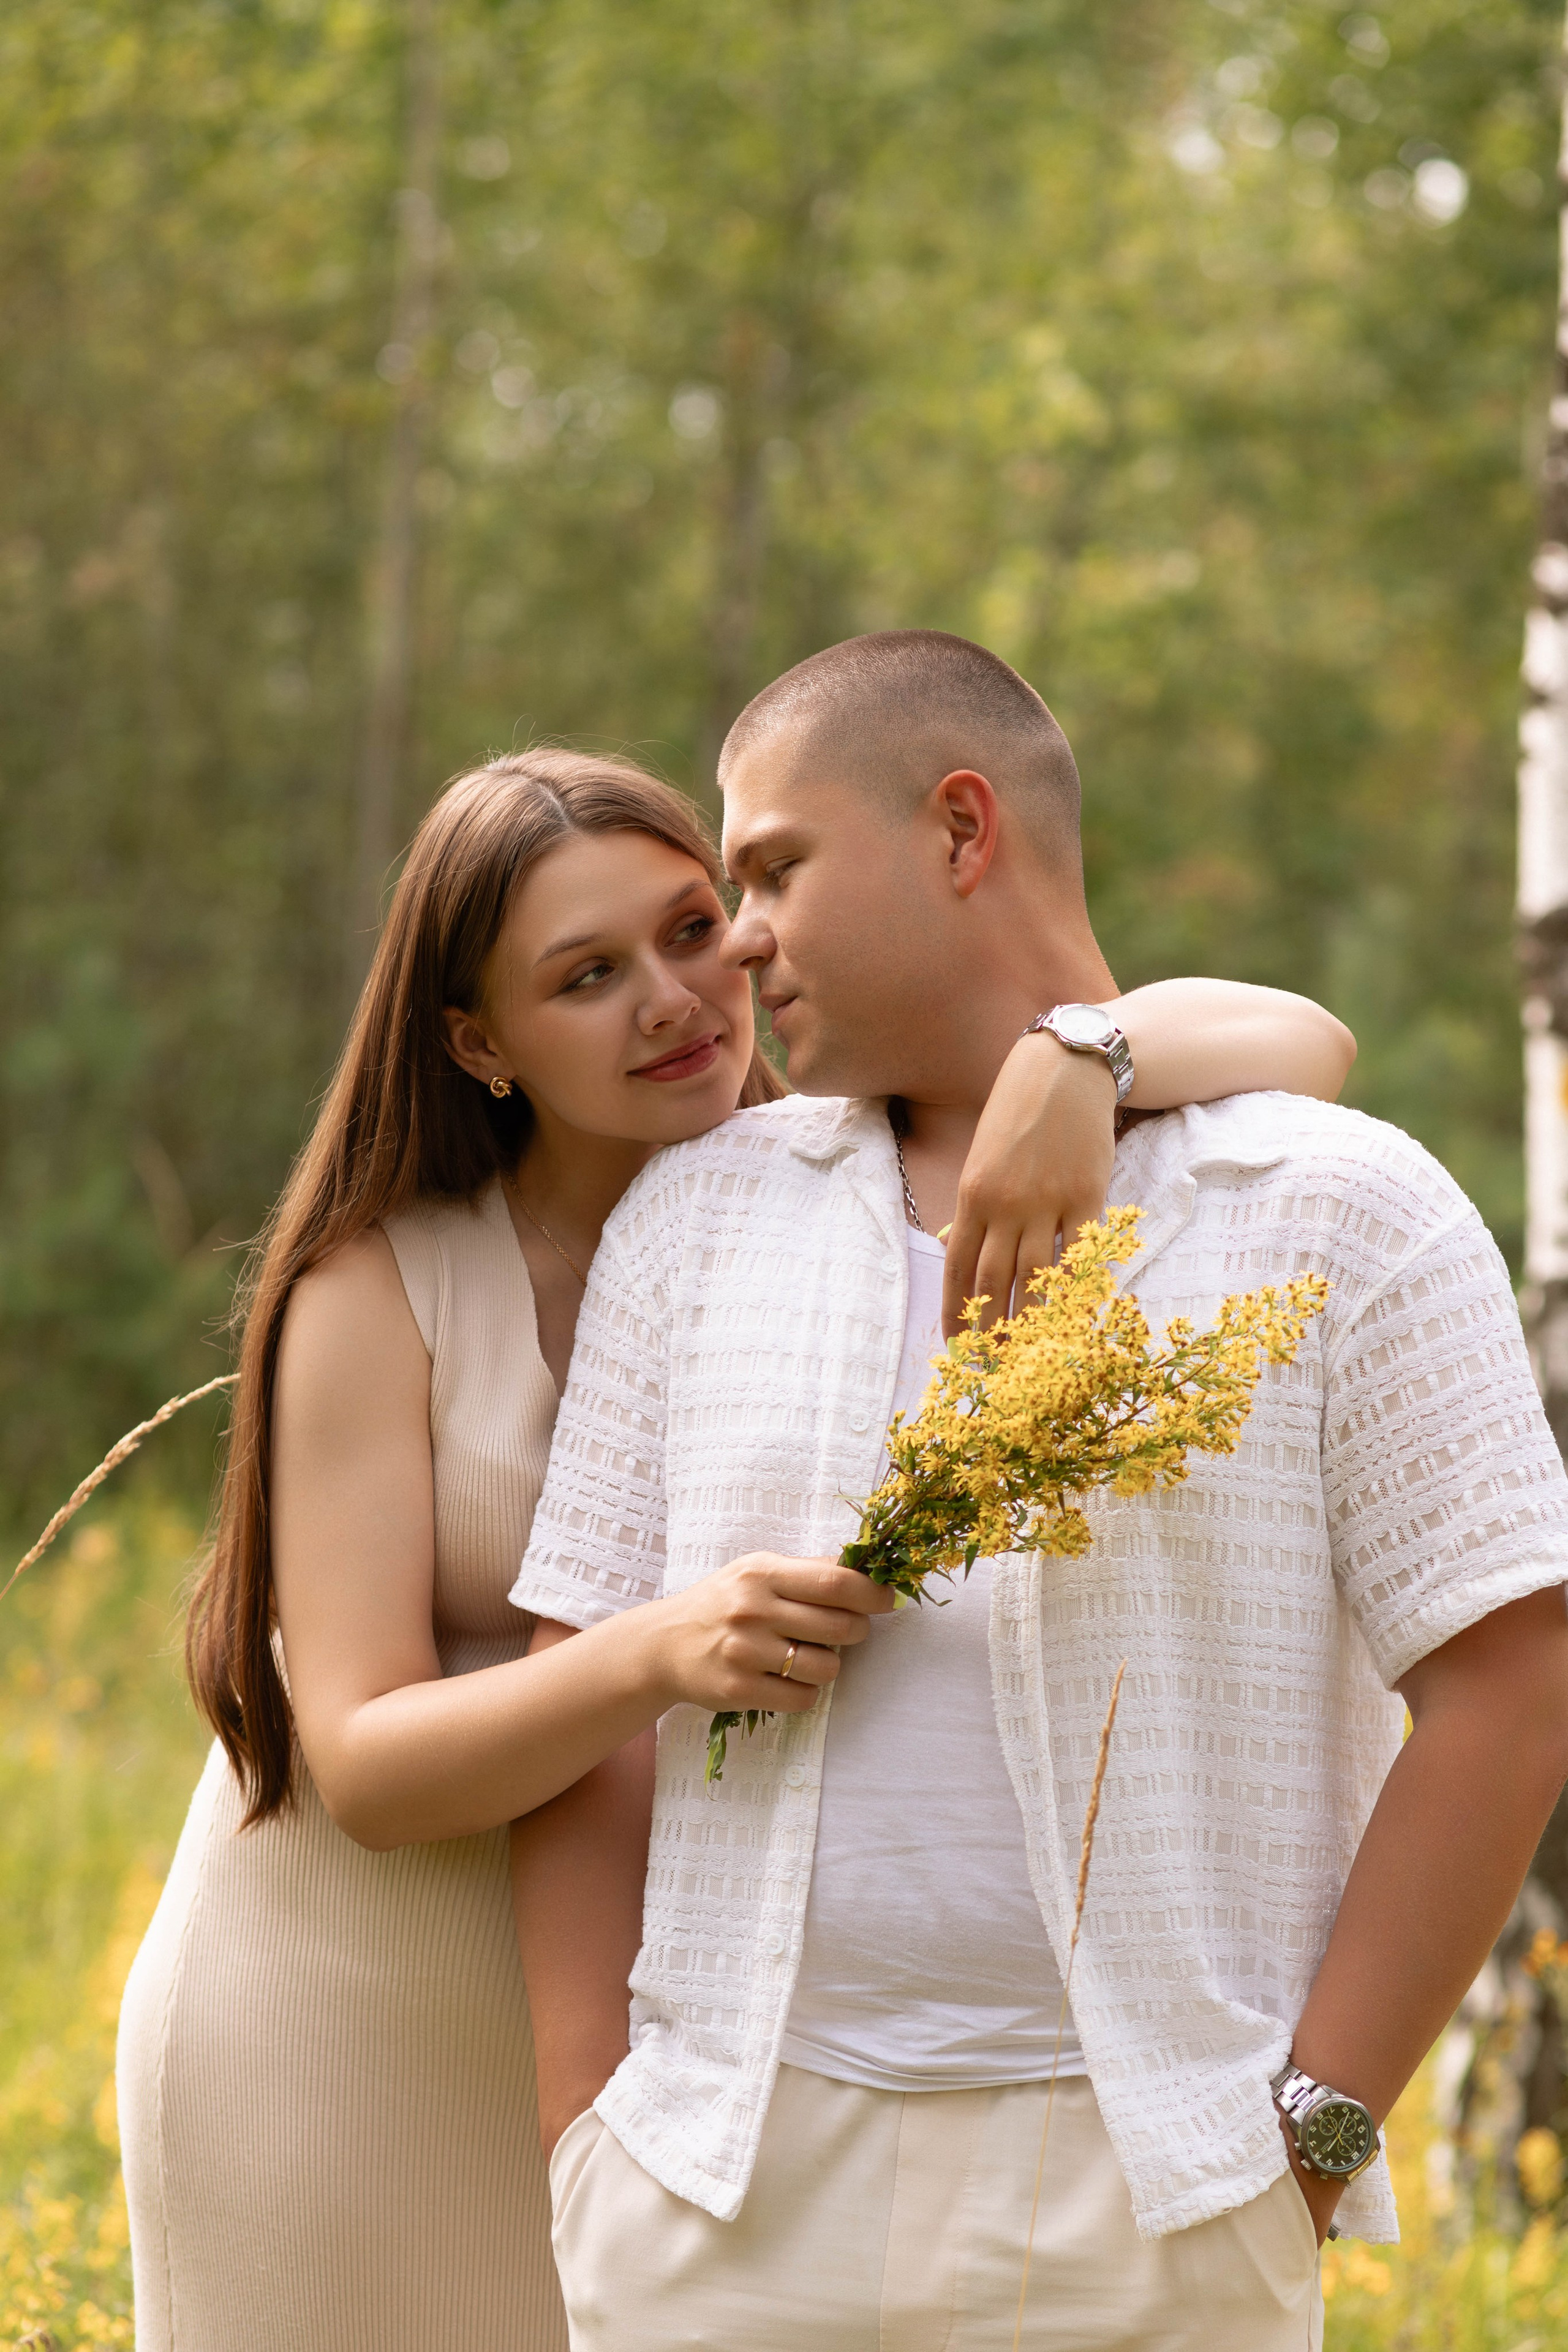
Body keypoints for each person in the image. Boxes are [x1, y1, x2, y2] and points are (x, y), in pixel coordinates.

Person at [115, 745, 1351, 2352]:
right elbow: (364, 1761)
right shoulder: (378, 1290)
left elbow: (1309, 1045)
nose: (675, 999)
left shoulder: (822, 1187)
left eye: (695, 928)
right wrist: (653, 1649)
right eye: (586, 977)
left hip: (655, 2055)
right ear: (479, 1043)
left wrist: (1082, 1056)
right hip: (344, 2016)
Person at [510, 633, 1568, 2352]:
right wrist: (590, 2124)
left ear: (960, 827)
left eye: (774, 865)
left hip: (1158, 2199)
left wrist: (1306, 2140)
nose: (743, 936)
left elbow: (1512, 1683)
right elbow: (584, 1680)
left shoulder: (1337, 1206)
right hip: (717, 2192)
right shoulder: (697, 1217)